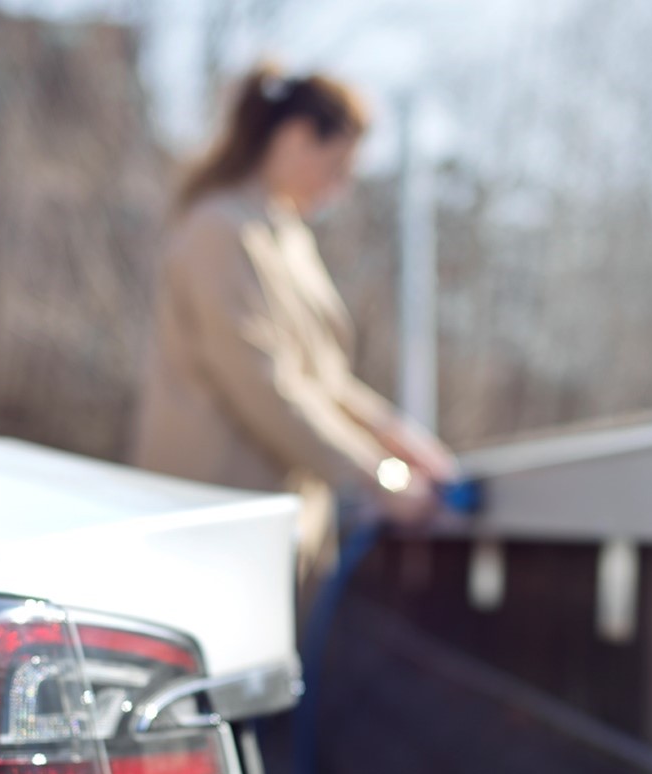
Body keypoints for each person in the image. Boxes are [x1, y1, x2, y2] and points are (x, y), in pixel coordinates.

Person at [131, 62, 454, 584]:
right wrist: (382, 477)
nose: (340, 187)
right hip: (215, 522)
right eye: (338, 167)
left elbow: (321, 377)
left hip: (276, 521)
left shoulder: (284, 234)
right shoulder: (220, 228)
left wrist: (395, 436)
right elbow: (262, 382)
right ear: (299, 137)